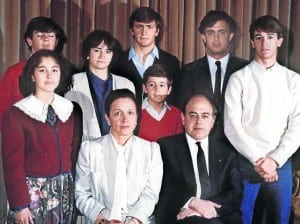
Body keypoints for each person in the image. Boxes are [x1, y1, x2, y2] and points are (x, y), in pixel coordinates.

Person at [224, 15, 300, 224]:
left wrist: (274, 160)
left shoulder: (293, 80)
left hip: (280, 164)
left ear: (280, 41)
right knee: (243, 218)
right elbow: (232, 126)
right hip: (247, 162)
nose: (264, 43)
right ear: (251, 42)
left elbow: (297, 125)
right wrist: (259, 160)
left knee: (280, 219)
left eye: (270, 36)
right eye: (258, 37)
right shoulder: (239, 78)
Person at [1, 49, 82, 224]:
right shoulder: (16, 114)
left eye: (54, 70)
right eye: (42, 70)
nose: (49, 75)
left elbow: (73, 154)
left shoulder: (70, 110)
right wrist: (19, 206)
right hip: (32, 195)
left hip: (64, 191)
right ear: (32, 75)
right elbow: (12, 165)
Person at [75, 89, 163, 224]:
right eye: (117, 113)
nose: (125, 119)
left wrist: (134, 220)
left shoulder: (151, 151)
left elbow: (150, 195)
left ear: (137, 118)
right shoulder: (89, 149)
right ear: (107, 118)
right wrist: (102, 217)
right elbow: (81, 193)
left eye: (130, 113)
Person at [155, 94, 243, 224]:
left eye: (205, 116)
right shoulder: (165, 147)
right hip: (181, 214)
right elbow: (161, 190)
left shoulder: (226, 152)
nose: (199, 121)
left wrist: (206, 210)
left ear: (213, 121)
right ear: (183, 118)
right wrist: (192, 202)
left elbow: (236, 191)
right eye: (193, 115)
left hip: (219, 216)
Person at [178, 10, 247, 137]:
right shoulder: (189, 71)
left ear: (231, 36)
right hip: (202, 142)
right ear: (203, 37)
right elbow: (184, 112)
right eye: (210, 33)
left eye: (222, 32)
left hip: (238, 145)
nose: (216, 38)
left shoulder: (245, 69)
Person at [65, 30, 135, 141]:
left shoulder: (126, 84)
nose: (102, 55)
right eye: (97, 50)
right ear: (87, 54)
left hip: (119, 146)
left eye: (108, 51)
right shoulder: (74, 82)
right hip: (84, 147)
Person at [111, 6, 181, 106]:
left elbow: (176, 99)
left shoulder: (171, 62)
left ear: (157, 31)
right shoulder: (117, 62)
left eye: (149, 27)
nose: (144, 32)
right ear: (131, 30)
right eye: (139, 26)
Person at [138, 64, 183, 141]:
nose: (157, 89)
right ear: (145, 88)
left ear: (169, 90)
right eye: (152, 85)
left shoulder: (177, 114)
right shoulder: (135, 112)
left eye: (161, 85)